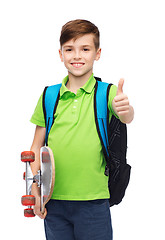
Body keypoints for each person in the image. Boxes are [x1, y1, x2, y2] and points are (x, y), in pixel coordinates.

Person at [30, 19, 134, 240]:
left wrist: (125, 109)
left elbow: (126, 117)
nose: (77, 56)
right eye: (70, 49)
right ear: (61, 54)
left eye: (85, 49)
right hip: (53, 201)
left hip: (94, 202)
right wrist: (35, 189)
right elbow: (36, 147)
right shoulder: (49, 96)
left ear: (97, 53)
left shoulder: (107, 93)